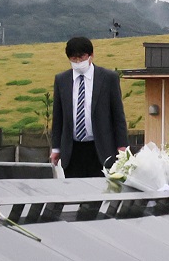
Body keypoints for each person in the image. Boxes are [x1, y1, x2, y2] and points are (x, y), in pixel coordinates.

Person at [50, 36, 128, 178]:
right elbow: (58, 117)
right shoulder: (62, 80)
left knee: (100, 193)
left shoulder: (108, 78)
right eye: (74, 59)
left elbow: (118, 115)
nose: (78, 62)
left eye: (81, 57)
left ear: (91, 55)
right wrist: (56, 148)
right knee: (75, 194)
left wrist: (122, 146)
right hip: (73, 150)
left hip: (100, 149)